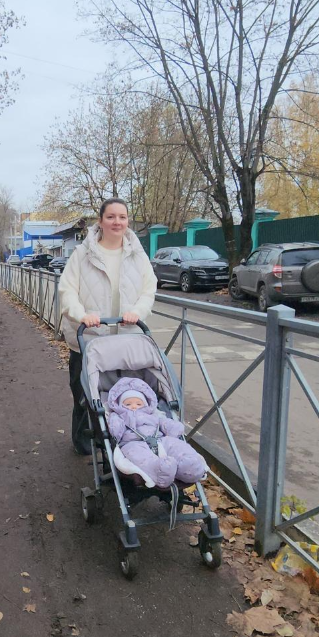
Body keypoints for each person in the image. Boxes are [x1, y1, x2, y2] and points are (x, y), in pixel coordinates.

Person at [58, 197, 158, 454]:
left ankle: (119, 443)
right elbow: (67, 290)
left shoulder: (137, 254)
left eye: (122, 217)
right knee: (85, 396)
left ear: (128, 221)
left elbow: (149, 289)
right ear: (100, 221)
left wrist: (137, 312)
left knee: (122, 397)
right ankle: (83, 444)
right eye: (111, 217)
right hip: (90, 339)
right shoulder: (83, 254)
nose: (117, 222)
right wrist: (81, 315)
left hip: (127, 340)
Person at [106, 377, 208, 489]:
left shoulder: (153, 414)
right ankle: (158, 471)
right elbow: (116, 431)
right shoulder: (119, 416)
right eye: (128, 404)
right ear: (120, 406)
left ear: (145, 404)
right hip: (133, 442)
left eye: (138, 404)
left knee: (175, 444)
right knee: (138, 456)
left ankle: (189, 467)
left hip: (160, 439)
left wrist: (173, 427)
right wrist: (114, 420)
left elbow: (163, 422)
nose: (134, 406)